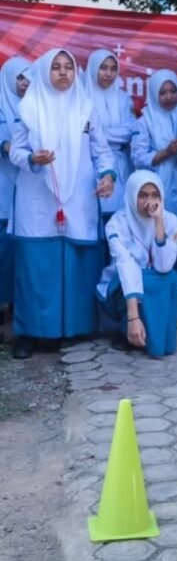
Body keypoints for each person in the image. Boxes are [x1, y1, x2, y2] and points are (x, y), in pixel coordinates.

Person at [9, 49, 116, 359]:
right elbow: (15, 151)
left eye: (68, 67)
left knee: (73, 265)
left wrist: (108, 176)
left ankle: (70, 330)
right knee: (36, 269)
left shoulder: (85, 107)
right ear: (44, 72)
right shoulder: (29, 108)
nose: (63, 72)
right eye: (55, 67)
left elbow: (103, 152)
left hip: (78, 198)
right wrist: (32, 158)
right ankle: (29, 333)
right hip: (37, 200)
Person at [97, 170, 177, 357]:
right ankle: (126, 327)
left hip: (156, 279)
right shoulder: (116, 223)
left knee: (171, 279)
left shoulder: (174, 222)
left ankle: (154, 335)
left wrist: (159, 222)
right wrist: (133, 317)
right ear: (131, 196)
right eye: (142, 195)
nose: (149, 202)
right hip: (124, 284)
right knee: (140, 281)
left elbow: (164, 266)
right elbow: (126, 265)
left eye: (155, 195)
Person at [84, 49, 137, 216]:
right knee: (93, 214)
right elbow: (85, 134)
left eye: (113, 68)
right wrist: (107, 134)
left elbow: (131, 131)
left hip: (121, 164)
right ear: (93, 68)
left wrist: (100, 131)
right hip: (91, 163)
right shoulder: (83, 98)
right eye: (103, 68)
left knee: (120, 216)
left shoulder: (123, 98)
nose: (108, 73)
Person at [131, 69, 177, 218]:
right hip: (156, 185)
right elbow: (138, 158)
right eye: (162, 93)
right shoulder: (146, 120)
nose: (169, 97)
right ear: (153, 94)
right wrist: (166, 152)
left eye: (173, 91)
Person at [0, 57, 29, 313]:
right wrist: (12, 148)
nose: (24, 83)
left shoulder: (33, 105)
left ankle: (14, 303)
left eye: (27, 77)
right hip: (2, 188)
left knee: (17, 250)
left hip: (26, 188)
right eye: (20, 77)